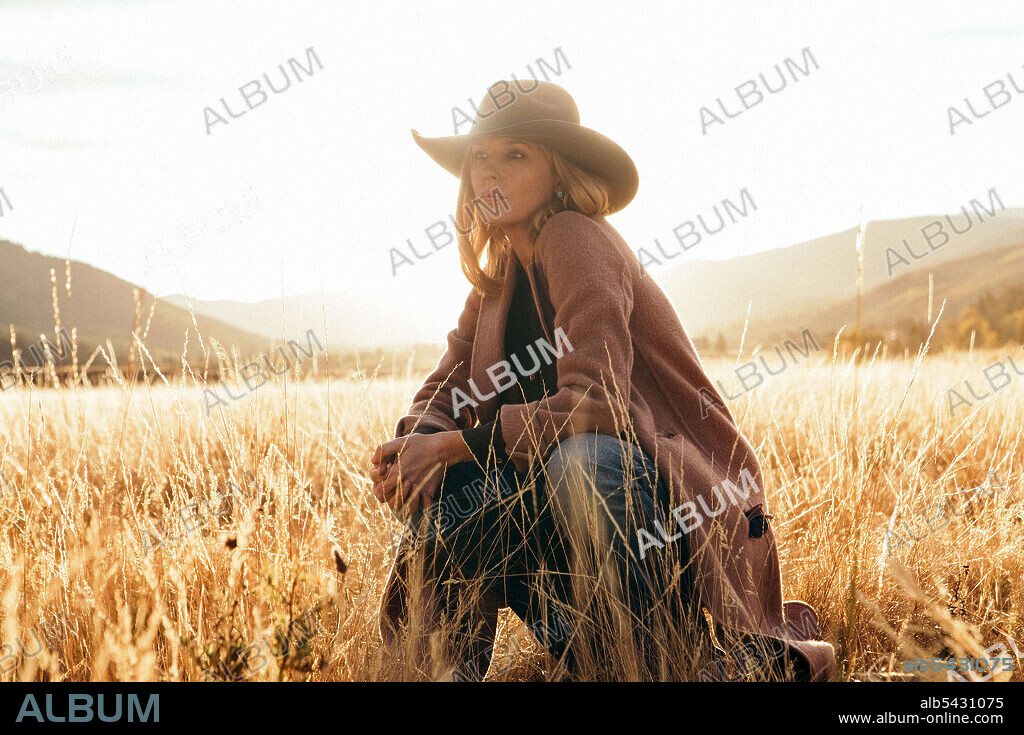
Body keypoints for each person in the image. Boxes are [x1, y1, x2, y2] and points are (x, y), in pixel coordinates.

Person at [370, 80, 836, 681]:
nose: (491, 173)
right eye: (481, 155)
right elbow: (446, 383)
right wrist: (415, 443)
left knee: (579, 460)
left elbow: (597, 404)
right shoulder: (500, 277)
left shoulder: (574, 237)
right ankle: (455, 671)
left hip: (661, 501)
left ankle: (673, 662)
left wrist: (451, 446)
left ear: (559, 171)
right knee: (444, 483)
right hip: (578, 530)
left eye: (517, 156)